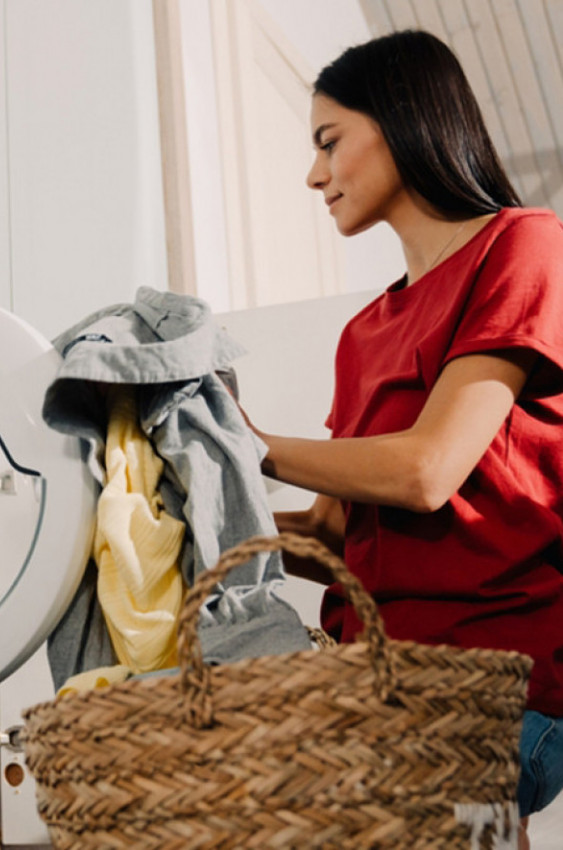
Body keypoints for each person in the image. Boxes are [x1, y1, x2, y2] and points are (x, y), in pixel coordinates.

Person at [245, 29, 563, 848]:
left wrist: (248, 446)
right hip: (373, 690)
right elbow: (331, 535)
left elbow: (428, 470)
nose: (313, 175)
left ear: (399, 120)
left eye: (328, 142)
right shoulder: (362, 334)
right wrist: (201, 517)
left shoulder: (522, 244)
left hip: (489, 692)